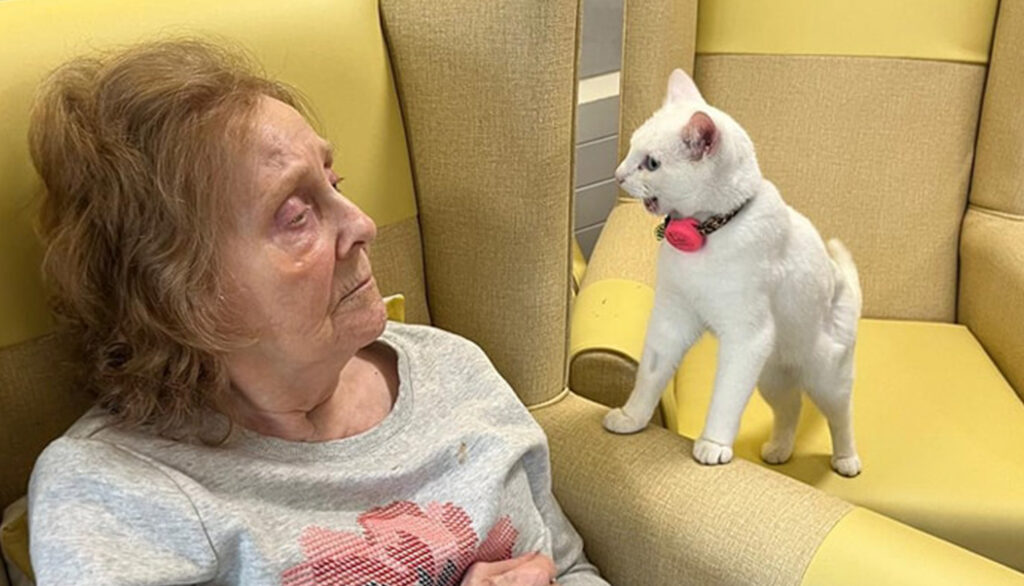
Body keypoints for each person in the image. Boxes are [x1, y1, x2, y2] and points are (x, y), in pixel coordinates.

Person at [26, 40, 606, 586]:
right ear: (179, 295)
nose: (363, 225)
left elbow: (570, 568)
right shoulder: (118, 495)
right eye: (297, 215)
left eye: (334, 182)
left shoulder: (452, 368)